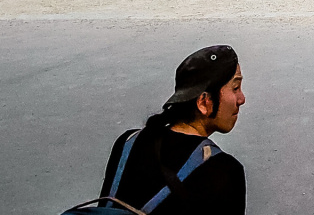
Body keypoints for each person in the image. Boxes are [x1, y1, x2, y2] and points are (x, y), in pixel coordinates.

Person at [96, 45, 247, 215]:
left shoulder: (128, 143)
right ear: (204, 102)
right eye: (235, 88)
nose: (241, 99)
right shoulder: (224, 171)